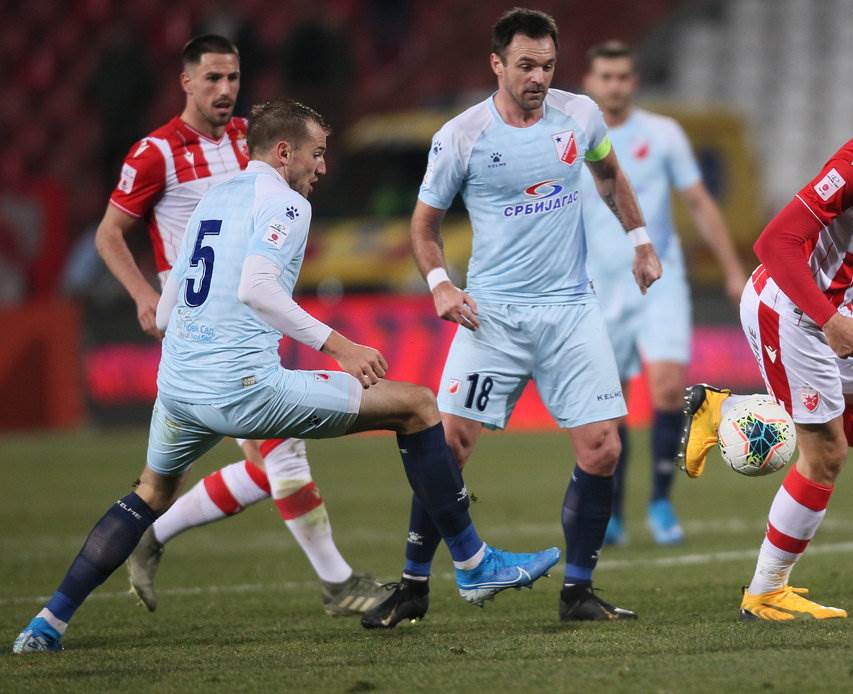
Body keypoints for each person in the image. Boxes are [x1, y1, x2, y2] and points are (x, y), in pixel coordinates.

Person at [12, 98, 560, 654]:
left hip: (177, 387)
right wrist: (342, 346)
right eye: (316, 153)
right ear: (283, 152)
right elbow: (257, 289)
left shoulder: (212, 197)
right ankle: (473, 563)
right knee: (418, 405)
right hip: (243, 387)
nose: (322, 166)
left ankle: (47, 624)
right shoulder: (287, 205)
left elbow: (168, 308)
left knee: (149, 493)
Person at [360, 8, 661, 629]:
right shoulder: (462, 136)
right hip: (491, 315)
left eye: (547, 66)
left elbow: (609, 174)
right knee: (448, 445)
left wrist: (640, 241)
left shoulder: (580, 116)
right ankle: (412, 586)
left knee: (603, 448)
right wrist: (441, 285)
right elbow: (424, 225)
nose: (538, 78)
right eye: (526, 65)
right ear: (496, 64)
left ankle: (578, 592)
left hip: (570, 310)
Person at [94, 34, 382, 617]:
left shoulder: (254, 140)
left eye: (233, 77)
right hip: (202, 325)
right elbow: (109, 234)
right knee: (283, 457)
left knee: (266, 465)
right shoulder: (155, 152)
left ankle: (153, 534)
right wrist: (146, 295)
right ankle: (339, 583)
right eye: (213, 78)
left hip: (254, 319)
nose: (225, 89)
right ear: (186, 82)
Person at [676, 74, 853, 621]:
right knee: (826, 454)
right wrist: (828, 318)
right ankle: (765, 591)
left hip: (834, 307)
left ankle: (727, 408)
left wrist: (838, 309)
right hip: (792, 307)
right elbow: (773, 242)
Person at [580, 41, 745, 546]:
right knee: (611, 403)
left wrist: (733, 270)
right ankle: (613, 512)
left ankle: (660, 502)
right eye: (606, 76)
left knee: (669, 388)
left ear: (633, 82)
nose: (614, 85)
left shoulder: (663, 133)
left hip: (660, 277)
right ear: (590, 83)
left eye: (622, 76)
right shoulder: (572, 138)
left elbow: (698, 201)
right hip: (599, 284)